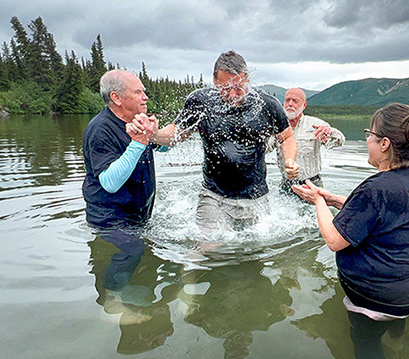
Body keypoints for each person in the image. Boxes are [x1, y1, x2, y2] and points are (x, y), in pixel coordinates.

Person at [292, 102, 409, 359]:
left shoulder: (375, 189)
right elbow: (383, 213)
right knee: (397, 326)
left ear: (384, 143)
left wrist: (317, 201)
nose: (367, 142)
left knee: (366, 345)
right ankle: (397, 337)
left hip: (377, 299)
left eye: (369, 135)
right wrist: (334, 200)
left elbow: (334, 240)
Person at [129, 51, 300, 232]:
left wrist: (289, 160)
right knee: (208, 251)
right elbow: (176, 134)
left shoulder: (266, 104)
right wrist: (153, 134)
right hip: (214, 197)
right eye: (225, 88)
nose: (233, 94)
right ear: (215, 82)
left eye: (239, 88)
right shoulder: (201, 101)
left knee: (258, 254)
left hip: (257, 198)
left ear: (247, 80)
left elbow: (287, 137)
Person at [82, 69, 159, 229]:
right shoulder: (100, 129)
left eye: (144, 92)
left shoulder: (136, 121)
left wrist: (156, 134)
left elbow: (163, 148)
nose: (145, 97)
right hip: (110, 221)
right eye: (138, 92)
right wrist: (139, 142)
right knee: (135, 252)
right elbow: (109, 183)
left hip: (138, 217)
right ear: (116, 97)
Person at [268, 88, 345, 193]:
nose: (290, 104)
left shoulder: (315, 124)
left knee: (317, 209)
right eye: (287, 100)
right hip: (286, 184)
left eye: (295, 101)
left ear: (304, 105)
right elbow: (265, 148)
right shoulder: (276, 127)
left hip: (312, 183)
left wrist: (330, 133)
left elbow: (340, 141)